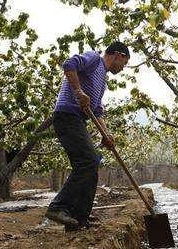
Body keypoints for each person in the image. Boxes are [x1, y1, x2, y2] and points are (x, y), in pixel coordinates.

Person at [45, 41, 130, 232]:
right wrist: (78, 91)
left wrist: (106, 135)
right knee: (88, 161)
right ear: (118, 55)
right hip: (67, 115)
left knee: (93, 164)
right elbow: (69, 64)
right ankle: (58, 207)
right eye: (124, 64)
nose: (122, 69)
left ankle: (79, 217)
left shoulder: (103, 81)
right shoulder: (94, 59)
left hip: (78, 120)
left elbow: (97, 111)